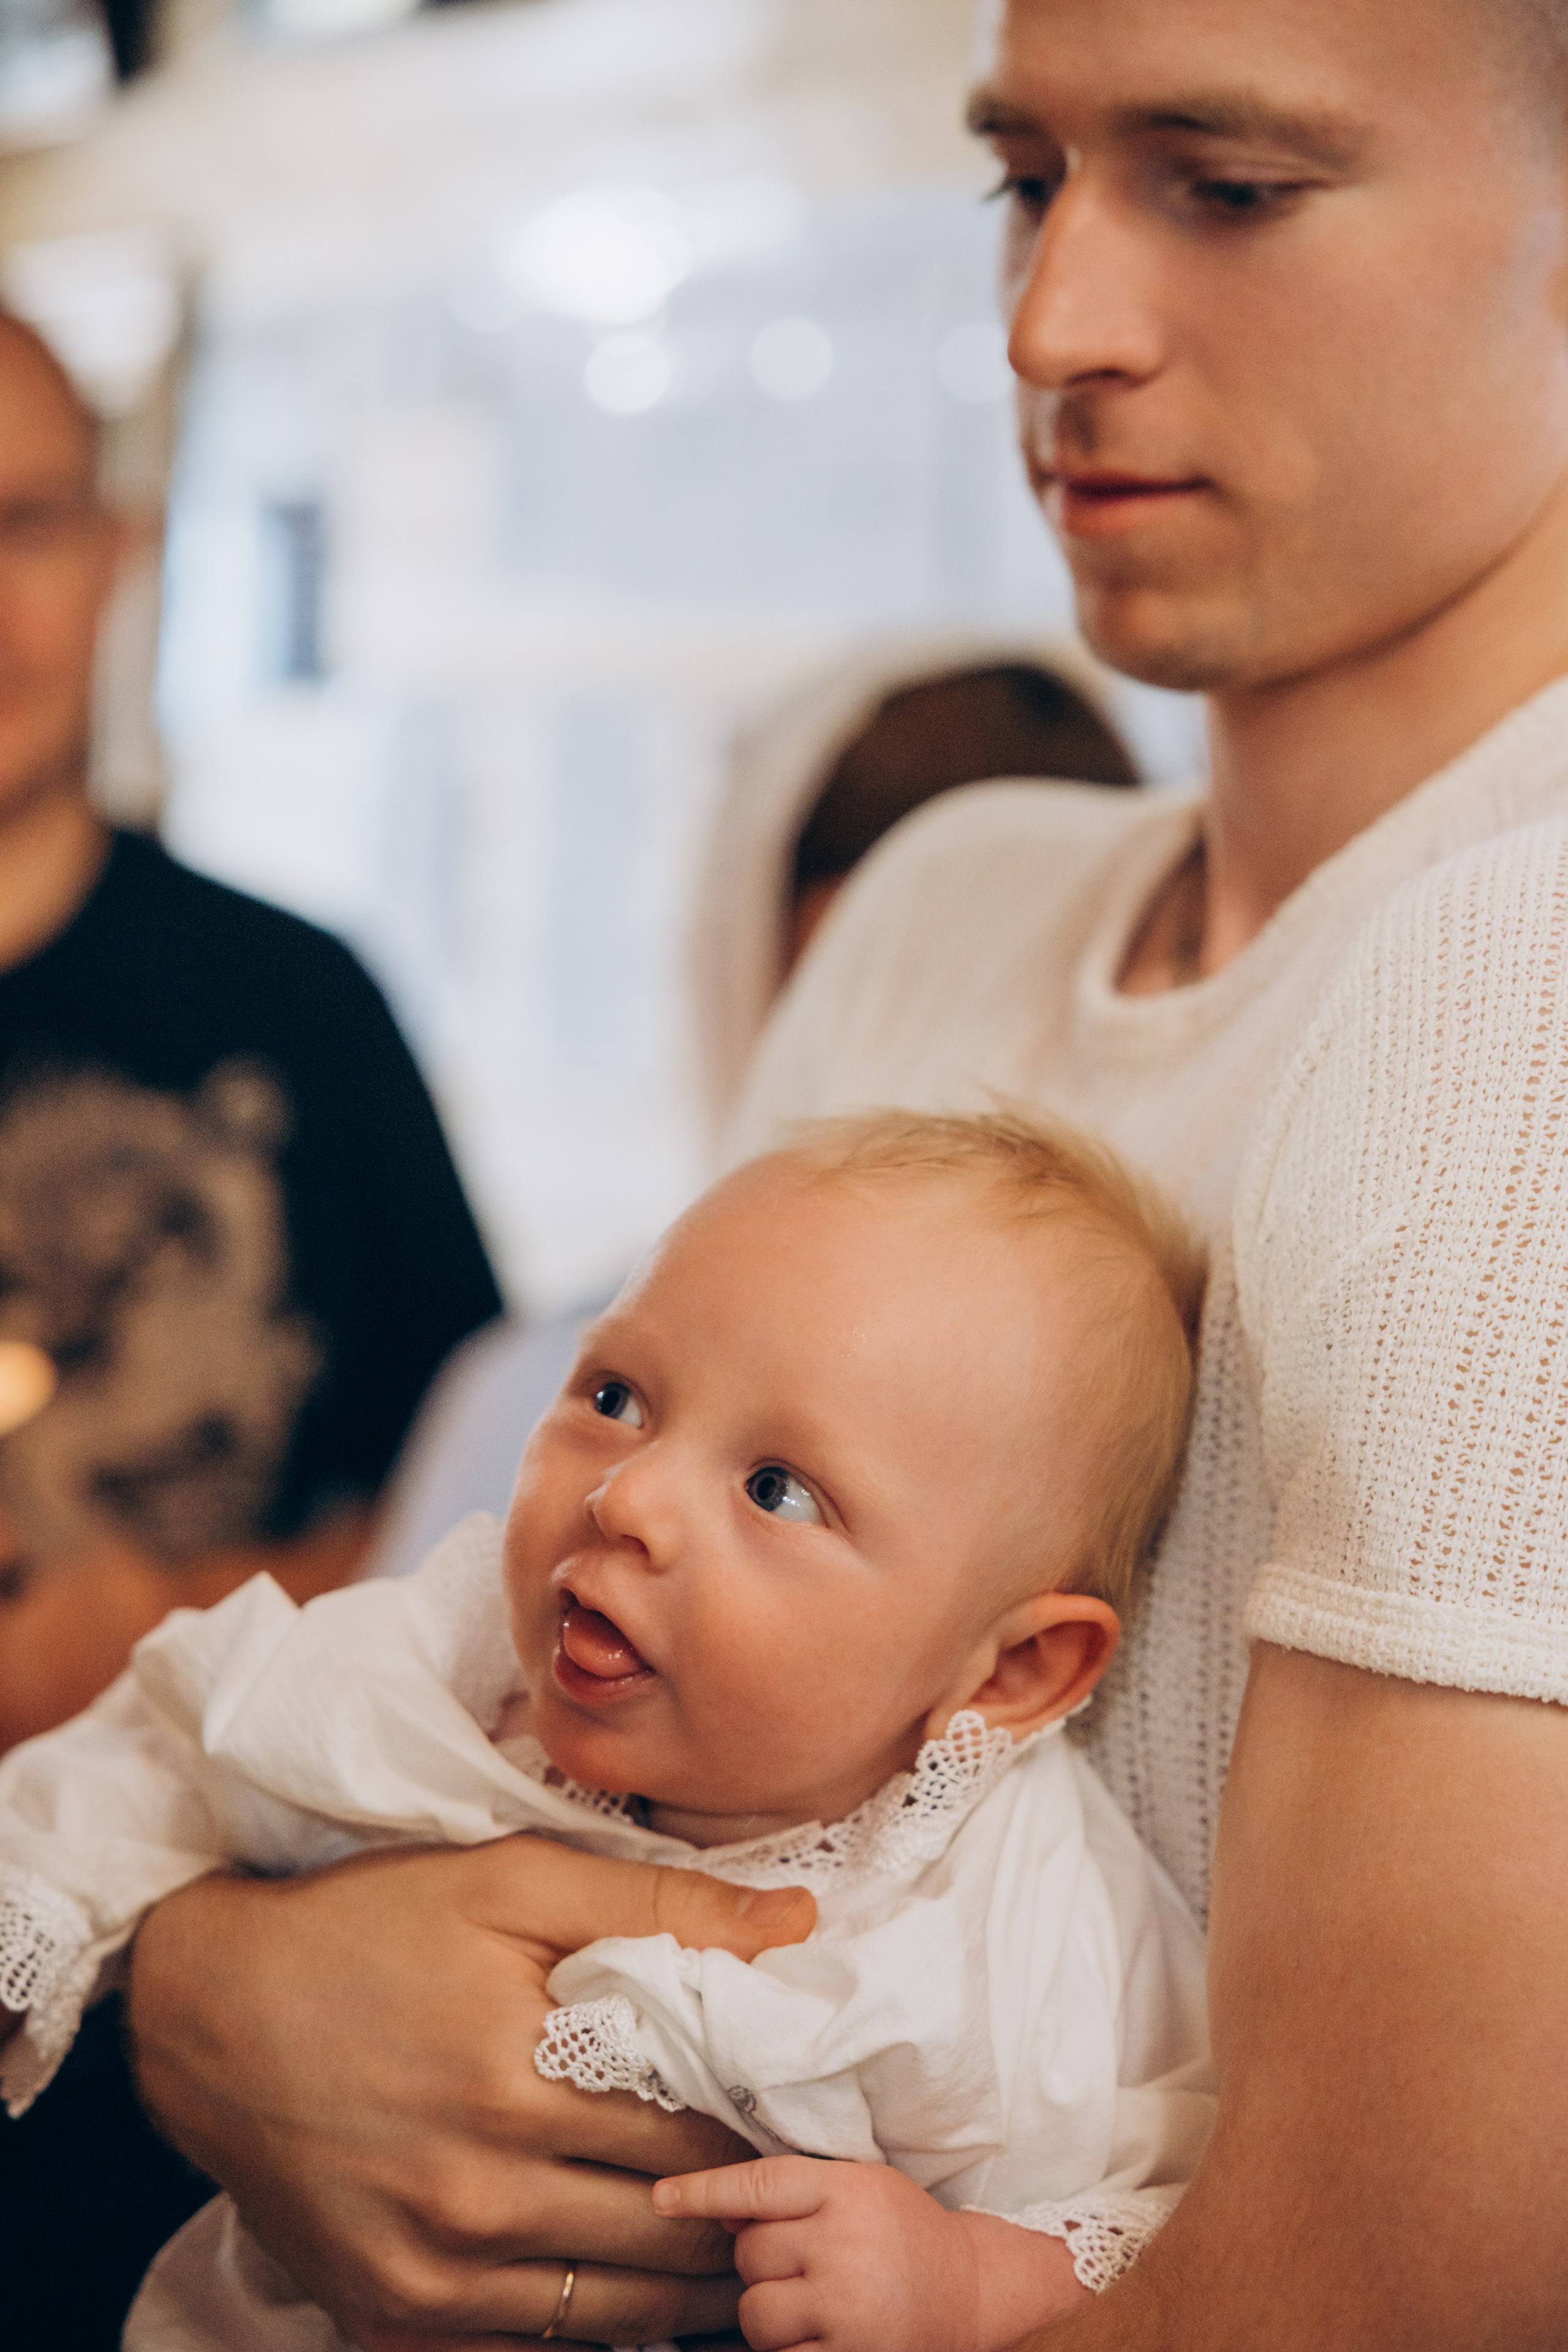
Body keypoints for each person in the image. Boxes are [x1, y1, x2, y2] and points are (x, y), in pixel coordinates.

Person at [96, 1, 1568, 2345]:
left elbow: (1384, 2290)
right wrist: (217, 1993)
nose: (1055, 325)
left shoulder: (1538, 965)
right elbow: (572, 1687)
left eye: (1235, 186)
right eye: (1025, 181)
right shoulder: (945, 900)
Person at [2, 1112, 1213, 2351]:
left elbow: (1176, 2207)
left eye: (775, 1491)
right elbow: (162, 1749)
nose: (623, 1495)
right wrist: (35, 1912)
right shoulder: (447, 1670)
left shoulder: (1013, 1908)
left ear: (1008, 1671)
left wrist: (964, 2279)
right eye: (615, 1395)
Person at [0, 311, 502, 2334]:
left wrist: (166, 1624)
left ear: (118, 555)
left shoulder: (302, 1009)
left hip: (176, 2122)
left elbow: (486, 1519)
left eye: (22, 523)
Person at [366, 635, 1137, 1585]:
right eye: (859, 1000)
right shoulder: (540, 1402)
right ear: (749, 984)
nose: (938, 1093)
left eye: (1002, 1003)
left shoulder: (1152, 1438)